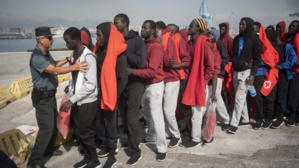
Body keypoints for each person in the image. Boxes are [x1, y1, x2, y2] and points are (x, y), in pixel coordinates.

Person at [27, 26, 87, 168]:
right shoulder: (37, 57)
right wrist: (74, 67)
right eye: (49, 38)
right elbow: (53, 70)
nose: (52, 40)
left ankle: (48, 150)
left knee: (52, 124)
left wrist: (67, 59)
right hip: (43, 99)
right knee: (46, 128)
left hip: (49, 96)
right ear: (41, 40)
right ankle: (34, 162)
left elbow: (54, 64)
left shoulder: (45, 54)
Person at [60, 27, 100, 168]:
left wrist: (72, 100)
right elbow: (75, 78)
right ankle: (87, 157)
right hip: (77, 99)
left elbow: (91, 85)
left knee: (85, 131)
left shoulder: (88, 57)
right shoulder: (74, 54)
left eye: (68, 41)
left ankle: (95, 161)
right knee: (78, 130)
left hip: (87, 101)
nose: (66, 44)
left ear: (76, 40)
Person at [128, 20, 166, 161]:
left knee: (157, 118)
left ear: (153, 31)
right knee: (147, 114)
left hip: (155, 85)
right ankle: (150, 137)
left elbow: (150, 72)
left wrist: (132, 71)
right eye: (142, 27)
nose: (142, 30)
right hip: (146, 84)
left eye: (145, 28)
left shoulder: (155, 47)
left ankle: (162, 148)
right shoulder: (145, 44)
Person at [93, 22, 128, 167]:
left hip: (111, 94)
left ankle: (112, 150)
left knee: (110, 123)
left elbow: (123, 78)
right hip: (100, 92)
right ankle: (106, 145)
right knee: (101, 121)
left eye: (99, 34)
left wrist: (115, 94)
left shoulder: (118, 53)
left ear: (107, 35)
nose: (97, 37)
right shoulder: (99, 50)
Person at [114, 13, 146, 166]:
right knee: (124, 114)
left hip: (135, 83)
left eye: (117, 23)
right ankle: (130, 140)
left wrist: (124, 49)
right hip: (121, 84)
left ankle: (135, 151)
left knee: (131, 116)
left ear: (125, 23)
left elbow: (141, 63)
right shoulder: (114, 40)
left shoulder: (137, 41)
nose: (115, 26)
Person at [180, 18, 214, 148]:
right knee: (192, 110)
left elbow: (210, 67)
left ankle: (196, 139)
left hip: (200, 82)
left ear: (198, 29)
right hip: (191, 81)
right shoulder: (190, 44)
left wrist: (204, 82)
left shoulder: (204, 43)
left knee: (197, 111)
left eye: (191, 26)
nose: (189, 28)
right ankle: (196, 135)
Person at [227, 17, 262, 134]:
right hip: (236, 71)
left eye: (243, 24)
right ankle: (246, 119)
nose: (241, 26)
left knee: (239, 98)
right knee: (240, 98)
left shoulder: (255, 40)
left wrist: (253, 74)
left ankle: (234, 123)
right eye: (240, 24)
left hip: (247, 72)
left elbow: (257, 59)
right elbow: (233, 54)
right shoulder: (236, 39)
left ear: (249, 26)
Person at [156, 21, 181, 148]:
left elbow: (168, 62)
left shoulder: (168, 41)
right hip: (165, 79)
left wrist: (160, 48)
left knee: (168, 111)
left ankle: (176, 135)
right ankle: (168, 133)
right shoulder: (163, 40)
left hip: (172, 79)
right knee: (163, 109)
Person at [272, 20, 299, 127]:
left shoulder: (295, 39)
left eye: (294, 26)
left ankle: (293, 115)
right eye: (290, 26)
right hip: (286, 71)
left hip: (294, 71)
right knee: (283, 94)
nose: (291, 27)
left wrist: (284, 65)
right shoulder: (286, 39)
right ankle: (282, 115)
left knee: (293, 95)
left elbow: (294, 57)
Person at [168, 24, 192, 140]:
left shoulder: (179, 41)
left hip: (182, 78)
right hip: (174, 77)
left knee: (184, 106)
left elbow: (187, 61)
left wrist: (174, 66)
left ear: (172, 31)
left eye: (168, 30)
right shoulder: (170, 40)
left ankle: (189, 131)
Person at [207, 29, 230, 131]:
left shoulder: (219, 45)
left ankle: (226, 119)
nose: (210, 36)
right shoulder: (207, 46)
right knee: (212, 98)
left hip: (217, 76)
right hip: (211, 76)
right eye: (209, 34)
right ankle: (217, 119)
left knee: (217, 97)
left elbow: (225, 58)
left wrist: (219, 69)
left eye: (212, 35)